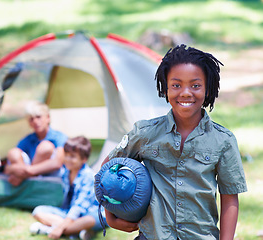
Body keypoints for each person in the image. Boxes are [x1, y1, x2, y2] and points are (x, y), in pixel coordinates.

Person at [101, 44, 247, 240]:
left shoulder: (223, 140)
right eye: (176, 85)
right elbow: (106, 171)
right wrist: (110, 217)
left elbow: (230, 198)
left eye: (195, 85)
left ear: (208, 88)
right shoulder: (145, 133)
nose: (185, 93)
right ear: (165, 87)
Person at [29, 136, 107, 240]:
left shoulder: (89, 177)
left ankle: (49, 230)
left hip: (89, 213)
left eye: (72, 156)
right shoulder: (66, 172)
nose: (67, 159)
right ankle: (76, 231)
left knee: (89, 220)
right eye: (66, 155)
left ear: (84, 159)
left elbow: (78, 208)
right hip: (69, 213)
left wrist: (60, 228)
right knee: (38, 211)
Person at [4, 101, 67, 186]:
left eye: (38, 117)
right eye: (31, 119)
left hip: (52, 176)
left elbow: (57, 163)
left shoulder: (59, 137)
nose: (35, 121)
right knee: (13, 152)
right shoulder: (28, 139)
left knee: (45, 147)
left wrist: (30, 171)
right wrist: (14, 169)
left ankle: (25, 178)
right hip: (29, 172)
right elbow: (8, 166)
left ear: (48, 118)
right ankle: (27, 178)